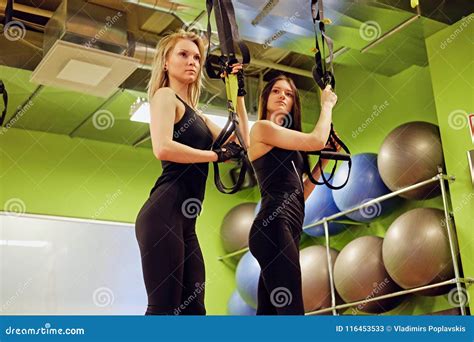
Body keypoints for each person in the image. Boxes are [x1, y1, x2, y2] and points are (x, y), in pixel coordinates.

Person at [135, 30, 249, 315]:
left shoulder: (198, 115)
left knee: (195, 310)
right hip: (162, 215)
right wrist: (214, 155)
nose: (192, 62)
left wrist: (238, 90)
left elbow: (242, 141)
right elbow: (162, 148)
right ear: (165, 62)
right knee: (165, 308)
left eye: (197, 57)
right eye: (183, 55)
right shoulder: (165, 96)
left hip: (186, 224)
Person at [247, 75, 339, 315]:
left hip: (286, 228)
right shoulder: (262, 129)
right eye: (276, 91)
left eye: (288, 94)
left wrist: (324, 161)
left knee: (268, 317)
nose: (282, 96)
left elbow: (300, 193)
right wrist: (327, 104)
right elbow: (317, 139)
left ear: (293, 104)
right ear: (265, 98)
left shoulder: (292, 148)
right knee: (292, 313)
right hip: (273, 227)